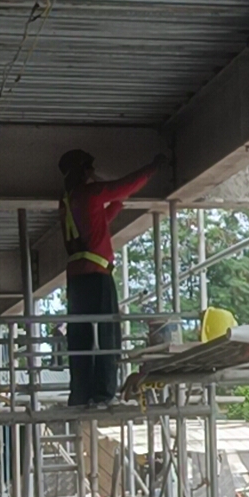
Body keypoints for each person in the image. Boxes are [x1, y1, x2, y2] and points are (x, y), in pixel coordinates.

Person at [59, 149, 165, 407]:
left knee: (80, 336)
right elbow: (122, 185)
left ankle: (81, 393)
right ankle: (105, 393)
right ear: (84, 171)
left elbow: (98, 221)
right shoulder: (90, 193)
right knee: (107, 333)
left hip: (76, 277)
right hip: (97, 273)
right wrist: (152, 168)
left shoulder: (67, 201)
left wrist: (118, 203)